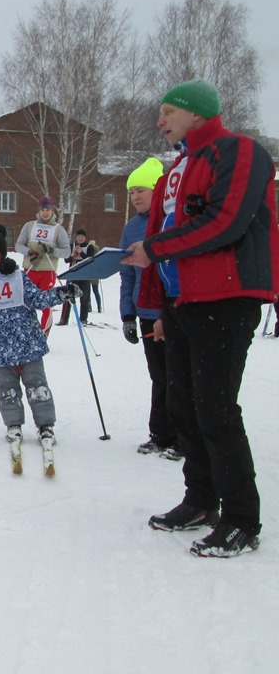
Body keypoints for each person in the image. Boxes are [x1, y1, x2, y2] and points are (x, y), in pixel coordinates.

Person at [122, 78, 279, 558]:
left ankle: (240, 518)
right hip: (183, 304)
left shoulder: (240, 151)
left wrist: (153, 249)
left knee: (215, 408)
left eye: (168, 111)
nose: (160, 120)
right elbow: (160, 235)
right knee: (184, 407)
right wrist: (160, 308)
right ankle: (201, 499)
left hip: (227, 299)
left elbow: (224, 222)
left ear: (196, 113)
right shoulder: (174, 170)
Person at [0, 228, 78, 454]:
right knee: (7, 389)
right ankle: (13, 424)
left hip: (27, 340)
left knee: (37, 386)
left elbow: (38, 298)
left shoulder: (18, 275)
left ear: (2, 254)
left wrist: (61, 293)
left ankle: (45, 425)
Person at [118, 157, 179, 460]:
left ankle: (183, 437)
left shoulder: (171, 221)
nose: (136, 197)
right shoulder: (131, 228)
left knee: (178, 376)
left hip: (175, 312)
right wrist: (128, 314)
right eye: (131, 192)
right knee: (159, 376)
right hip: (146, 314)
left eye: (141, 190)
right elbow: (127, 275)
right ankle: (160, 434)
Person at [15, 196, 70, 337]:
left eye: (48, 210)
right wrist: (29, 251)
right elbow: (18, 245)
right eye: (43, 210)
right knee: (25, 303)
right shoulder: (29, 226)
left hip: (48, 272)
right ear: (39, 211)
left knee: (46, 305)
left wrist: (52, 251)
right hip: (30, 270)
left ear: (53, 211)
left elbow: (66, 252)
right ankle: (26, 333)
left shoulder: (58, 230)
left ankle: (43, 334)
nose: (45, 213)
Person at [56, 229, 96, 326]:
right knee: (67, 297)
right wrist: (72, 255)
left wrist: (81, 253)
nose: (80, 238)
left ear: (85, 238)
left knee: (84, 298)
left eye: (82, 237)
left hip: (84, 276)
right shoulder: (72, 246)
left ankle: (83, 320)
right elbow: (66, 260)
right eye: (78, 236)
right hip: (72, 274)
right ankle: (64, 319)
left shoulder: (89, 247)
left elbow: (90, 260)